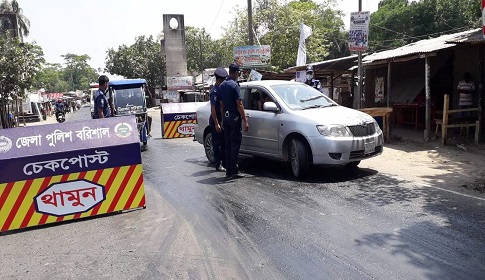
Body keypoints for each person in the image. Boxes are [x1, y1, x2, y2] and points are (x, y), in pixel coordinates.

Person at [219, 63, 249, 179]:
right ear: (236, 73)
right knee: (235, 146)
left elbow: (221, 105)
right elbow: (239, 104)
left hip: (226, 118)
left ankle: (228, 171)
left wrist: (222, 119)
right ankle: (233, 172)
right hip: (234, 118)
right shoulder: (234, 86)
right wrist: (245, 120)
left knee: (228, 145)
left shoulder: (222, 86)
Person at [210, 67, 228, 172]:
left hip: (221, 118)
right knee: (216, 144)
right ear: (219, 80)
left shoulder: (221, 90)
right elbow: (213, 109)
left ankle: (223, 162)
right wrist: (217, 123)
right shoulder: (214, 91)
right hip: (215, 119)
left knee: (223, 143)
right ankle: (217, 164)